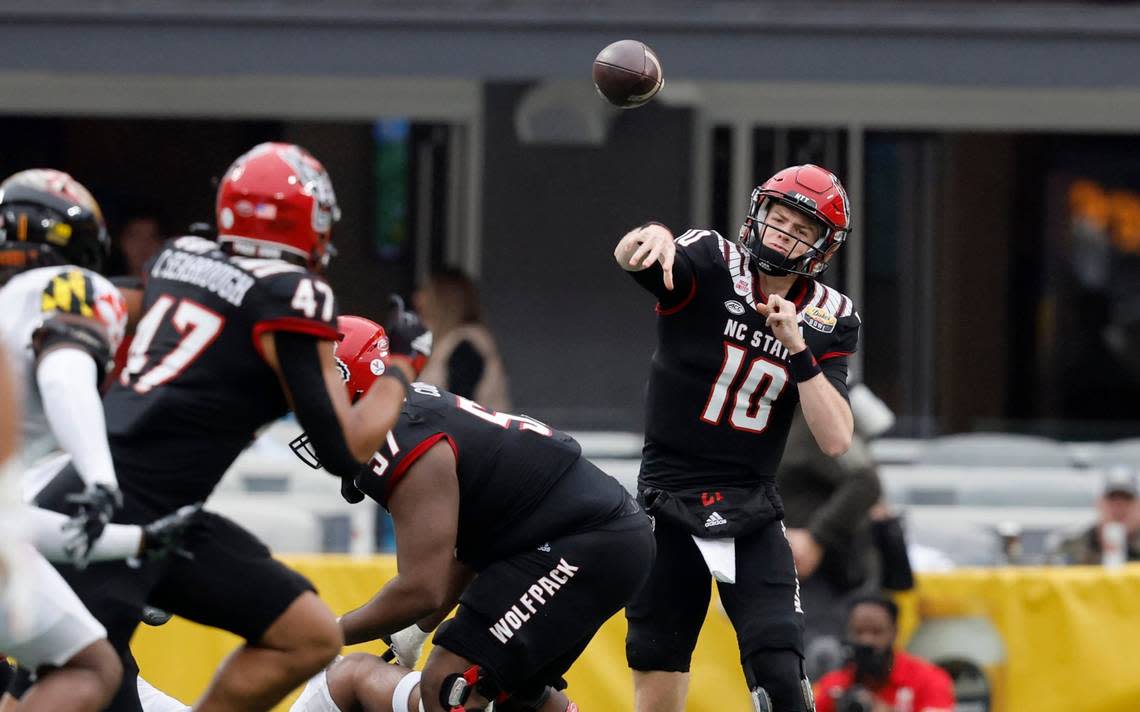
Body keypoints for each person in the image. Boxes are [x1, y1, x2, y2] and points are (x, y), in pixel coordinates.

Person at [35, 142, 411, 712]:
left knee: (307, 632)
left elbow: (116, 307)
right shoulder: (291, 294)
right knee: (77, 683)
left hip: (153, 514)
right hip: (119, 515)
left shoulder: (180, 255)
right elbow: (345, 448)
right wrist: (403, 365)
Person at [289, 315, 655, 712]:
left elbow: (421, 588)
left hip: (584, 540)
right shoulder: (410, 417)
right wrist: (415, 629)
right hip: (587, 538)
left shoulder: (402, 441)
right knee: (510, 692)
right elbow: (469, 548)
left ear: (353, 380)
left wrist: (327, 634)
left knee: (450, 685)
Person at [614, 164, 860, 712]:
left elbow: (837, 439)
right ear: (758, 214)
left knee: (779, 667)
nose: (783, 235)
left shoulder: (830, 317)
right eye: (779, 219)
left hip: (749, 502)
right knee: (658, 671)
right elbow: (631, 257)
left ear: (822, 248)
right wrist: (647, 234)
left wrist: (799, 352)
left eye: (802, 230)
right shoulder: (708, 259)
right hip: (666, 497)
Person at [777, 408, 882, 681]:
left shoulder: (816, 416)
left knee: (823, 664)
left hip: (828, 575)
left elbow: (866, 481)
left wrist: (817, 536)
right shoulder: (766, 415)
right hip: (782, 571)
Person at [814, 595, 954, 712]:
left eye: (877, 632)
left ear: (894, 633)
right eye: (858, 632)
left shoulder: (929, 679)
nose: (866, 641)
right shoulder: (834, 686)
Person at [414, 267, 511, 411]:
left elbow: (460, 410)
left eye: (426, 291)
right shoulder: (448, 341)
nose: (417, 298)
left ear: (444, 299)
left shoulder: (466, 346)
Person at [1052, 465, 1140, 565]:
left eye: (1127, 500)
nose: (1119, 507)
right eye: (1112, 499)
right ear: (1099, 504)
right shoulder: (1071, 547)